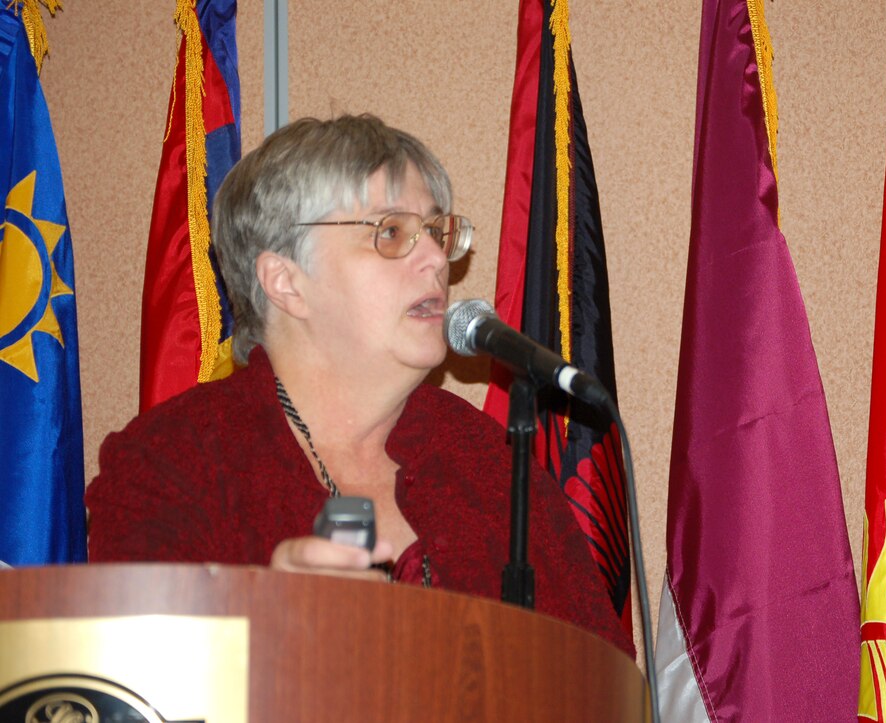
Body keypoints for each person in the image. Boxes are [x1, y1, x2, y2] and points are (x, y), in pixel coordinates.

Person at [85, 114, 633, 657]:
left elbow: (606, 684)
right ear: (285, 282)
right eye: (391, 232)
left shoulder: (488, 462)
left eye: (437, 232)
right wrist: (266, 624)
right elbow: (134, 686)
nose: (437, 259)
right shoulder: (173, 462)